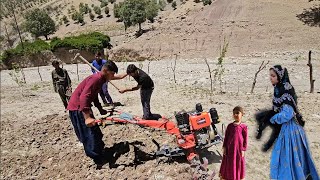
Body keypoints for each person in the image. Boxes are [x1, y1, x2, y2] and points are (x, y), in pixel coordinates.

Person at [67, 60, 127, 169]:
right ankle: (99, 160)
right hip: (78, 108)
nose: (113, 76)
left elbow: (93, 95)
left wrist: (100, 109)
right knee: (89, 135)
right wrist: (87, 117)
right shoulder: (96, 79)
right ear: (105, 70)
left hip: (83, 107)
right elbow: (84, 97)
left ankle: (100, 151)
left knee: (95, 132)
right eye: (112, 73)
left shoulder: (101, 79)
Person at [268, 65, 319, 180]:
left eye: (273, 76)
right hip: (285, 129)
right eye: (270, 75)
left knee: (289, 159)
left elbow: (288, 113)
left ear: (279, 76)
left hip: (291, 130)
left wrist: (273, 118)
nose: (270, 78)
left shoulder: (286, 89)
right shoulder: (278, 88)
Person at [219, 106, 248, 180]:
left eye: (237, 113)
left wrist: (243, 149)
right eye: (234, 113)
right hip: (230, 149)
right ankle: (229, 177)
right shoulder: (230, 126)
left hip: (238, 150)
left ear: (242, 114)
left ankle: (236, 177)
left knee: (237, 163)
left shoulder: (243, 127)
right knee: (229, 163)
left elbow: (245, 139)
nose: (235, 115)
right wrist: (224, 147)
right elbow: (226, 137)